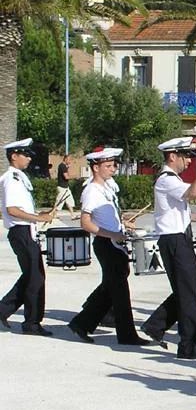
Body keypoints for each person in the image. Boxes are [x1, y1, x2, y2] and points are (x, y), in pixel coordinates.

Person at [140, 137, 196, 359]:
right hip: (174, 241)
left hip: (179, 238)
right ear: (172, 156)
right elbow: (194, 193)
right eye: (185, 156)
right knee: (189, 294)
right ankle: (188, 345)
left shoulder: (172, 179)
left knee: (193, 289)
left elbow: (177, 210)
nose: (188, 161)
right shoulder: (167, 179)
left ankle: (156, 325)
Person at [67, 147, 151, 346]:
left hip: (115, 242)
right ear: (96, 167)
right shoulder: (91, 191)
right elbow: (85, 223)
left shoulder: (106, 188)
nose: (113, 168)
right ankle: (127, 335)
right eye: (108, 165)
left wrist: (123, 224)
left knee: (111, 288)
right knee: (120, 292)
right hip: (106, 243)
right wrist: (112, 233)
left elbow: (107, 216)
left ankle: (81, 323)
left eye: (113, 165)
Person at [0, 138, 54, 335]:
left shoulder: (19, 177)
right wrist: (38, 217)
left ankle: (4, 310)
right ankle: (31, 323)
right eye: (25, 155)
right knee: (35, 278)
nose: (29, 158)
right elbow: (12, 209)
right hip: (21, 231)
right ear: (14, 156)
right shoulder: (11, 179)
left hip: (26, 231)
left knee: (32, 276)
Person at [55, 154, 78, 220]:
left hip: (66, 187)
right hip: (62, 187)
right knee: (59, 201)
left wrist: (68, 167)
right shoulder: (62, 166)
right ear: (65, 159)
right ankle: (53, 215)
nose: (70, 161)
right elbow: (66, 177)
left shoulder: (64, 166)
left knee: (69, 201)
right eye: (69, 160)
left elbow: (66, 175)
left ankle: (73, 215)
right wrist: (75, 176)